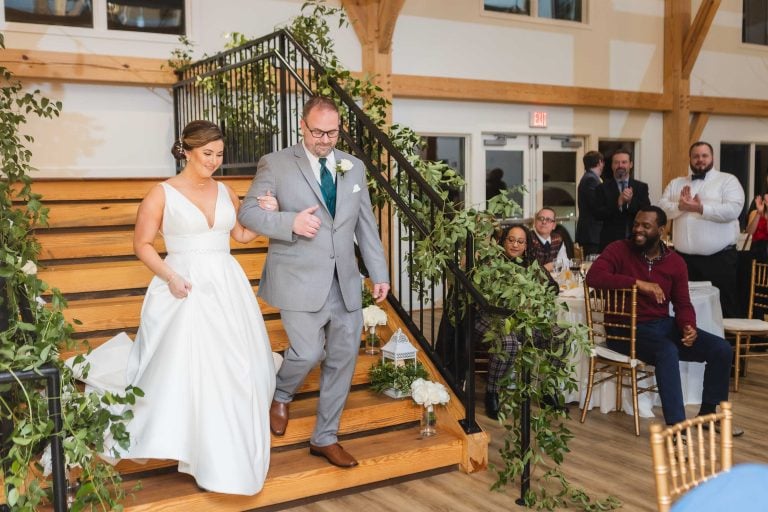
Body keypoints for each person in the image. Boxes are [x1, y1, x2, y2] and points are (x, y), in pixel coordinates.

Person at [71, 120, 280, 494]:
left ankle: (222, 447)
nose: (214, 161)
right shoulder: (161, 194)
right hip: (183, 285)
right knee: (189, 368)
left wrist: (266, 211)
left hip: (227, 286)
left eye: (219, 154)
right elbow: (143, 244)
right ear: (185, 150)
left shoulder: (226, 191)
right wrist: (170, 276)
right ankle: (190, 442)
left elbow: (242, 235)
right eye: (207, 154)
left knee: (234, 367)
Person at [238, 96, 390, 468]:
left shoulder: (352, 166)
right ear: (302, 126)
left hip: (346, 282)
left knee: (342, 360)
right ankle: (282, 392)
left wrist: (379, 273)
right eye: (318, 131)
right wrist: (289, 222)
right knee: (307, 352)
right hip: (297, 278)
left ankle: (325, 437)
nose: (325, 139)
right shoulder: (275, 164)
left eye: (332, 132)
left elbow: (364, 224)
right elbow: (248, 212)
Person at [585, 206, 742, 435]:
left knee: (721, 348)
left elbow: (682, 303)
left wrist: (688, 326)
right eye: (637, 224)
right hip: (625, 330)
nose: (638, 229)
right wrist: (639, 284)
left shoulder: (675, 262)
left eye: (645, 226)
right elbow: (594, 277)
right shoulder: (618, 249)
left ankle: (709, 414)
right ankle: (676, 427)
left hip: (662, 326)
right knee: (667, 351)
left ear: (661, 230)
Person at [477, 224, 564, 420]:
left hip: (521, 321)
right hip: (490, 319)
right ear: (503, 241)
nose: (515, 245)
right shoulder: (490, 263)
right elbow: (480, 298)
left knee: (558, 336)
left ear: (526, 246)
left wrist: (536, 298)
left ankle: (546, 389)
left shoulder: (530, 264)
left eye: (520, 241)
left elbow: (554, 288)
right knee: (507, 342)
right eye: (511, 240)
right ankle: (492, 392)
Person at [658, 141, 745, 318]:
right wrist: (681, 206)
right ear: (690, 159)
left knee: (723, 308)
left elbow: (732, 210)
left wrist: (701, 208)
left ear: (712, 158)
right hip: (684, 261)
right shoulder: (676, 183)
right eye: (696, 156)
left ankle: (725, 345)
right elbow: (662, 210)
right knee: (684, 307)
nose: (700, 160)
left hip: (719, 260)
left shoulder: (727, 181)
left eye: (704, 156)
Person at [594, 148, 650, 250]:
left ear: (631, 164)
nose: (620, 166)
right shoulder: (602, 188)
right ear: (612, 165)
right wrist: (618, 203)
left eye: (624, 162)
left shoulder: (641, 187)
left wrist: (630, 202)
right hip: (610, 243)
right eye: (616, 162)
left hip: (636, 242)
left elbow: (646, 213)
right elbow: (597, 214)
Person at [575, 150, 604, 256]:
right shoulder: (591, 179)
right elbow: (596, 205)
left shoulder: (590, 178)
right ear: (600, 162)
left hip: (591, 233)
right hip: (591, 234)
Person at [529, 207, 569, 274]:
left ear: (554, 225)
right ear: (535, 222)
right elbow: (529, 270)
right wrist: (548, 267)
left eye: (548, 220)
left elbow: (565, 263)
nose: (544, 222)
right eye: (540, 218)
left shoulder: (558, 239)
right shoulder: (528, 238)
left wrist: (553, 265)